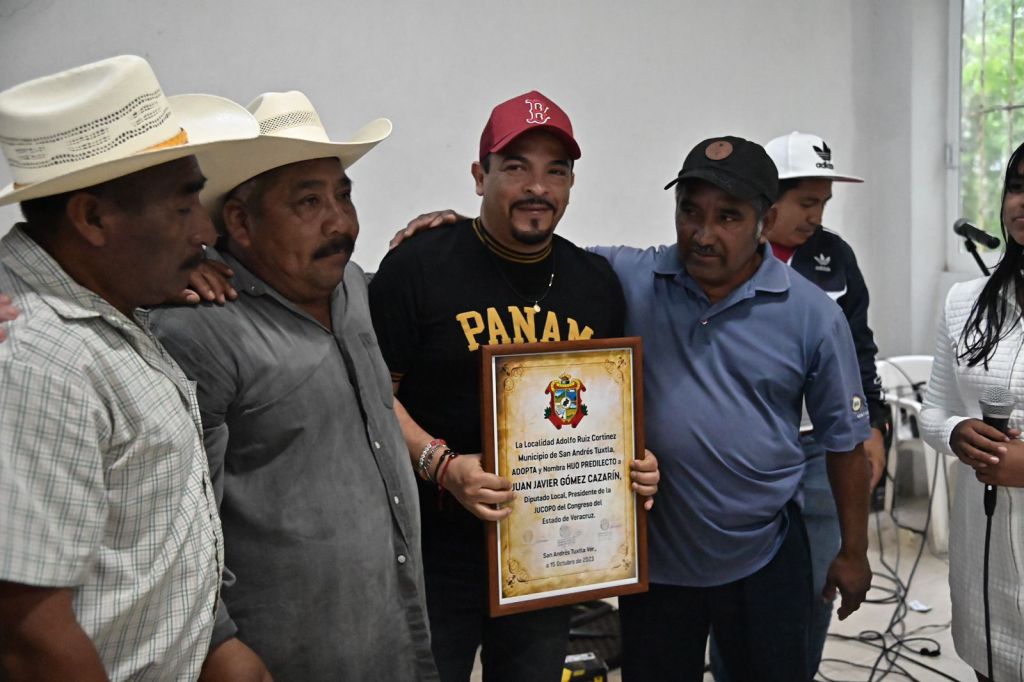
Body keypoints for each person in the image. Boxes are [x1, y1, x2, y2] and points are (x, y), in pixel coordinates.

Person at [368, 90, 660, 682]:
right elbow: (370, 398)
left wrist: (630, 466)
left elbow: (601, 413)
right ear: (480, 177)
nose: (537, 187)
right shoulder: (418, 267)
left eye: (556, 170)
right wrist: (442, 465)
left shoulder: (595, 283)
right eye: (516, 167)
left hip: (545, 550)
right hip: (433, 547)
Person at [149, 90, 438, 681]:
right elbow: (176, 528)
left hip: (393, 633)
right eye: (309, 201)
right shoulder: (200, 329)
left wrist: (448, 239)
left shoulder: (350, 285)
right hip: (286, 656)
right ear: (240, 223)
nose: (341, 222)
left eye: (343, 195)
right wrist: (219, 647)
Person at [0, 55, 267, 680]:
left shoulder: (102, 311)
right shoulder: (37, 358)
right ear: (93, 219)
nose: (205, 230)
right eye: (183, 206)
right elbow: (28, 638)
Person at [592, 136, 872, 681]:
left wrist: (854, 552)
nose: (703, 234)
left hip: (765, 553)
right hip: (657, 559)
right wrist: (463, 230)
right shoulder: (632, 277)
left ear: (765, 222)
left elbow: (843, 443)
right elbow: (540, 256)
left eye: (727, 217)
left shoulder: (812, 314)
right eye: (689, 212)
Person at [710, 131, 889, 679]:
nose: (817, 216)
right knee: (734, 592)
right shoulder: (726, 255)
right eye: (807, 202)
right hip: (745, 450)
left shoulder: (835, 257)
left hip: (822, 451)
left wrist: (874, 425)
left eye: (824, 203)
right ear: (770, 199)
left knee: (815, 588)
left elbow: (858, 346)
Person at [921, 140, 1024, 682]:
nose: (1022, 201)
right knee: (991, 660)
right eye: (1017, 187)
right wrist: (956, 431)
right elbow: (932, 410)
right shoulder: (964, 301)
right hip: (983, 546)